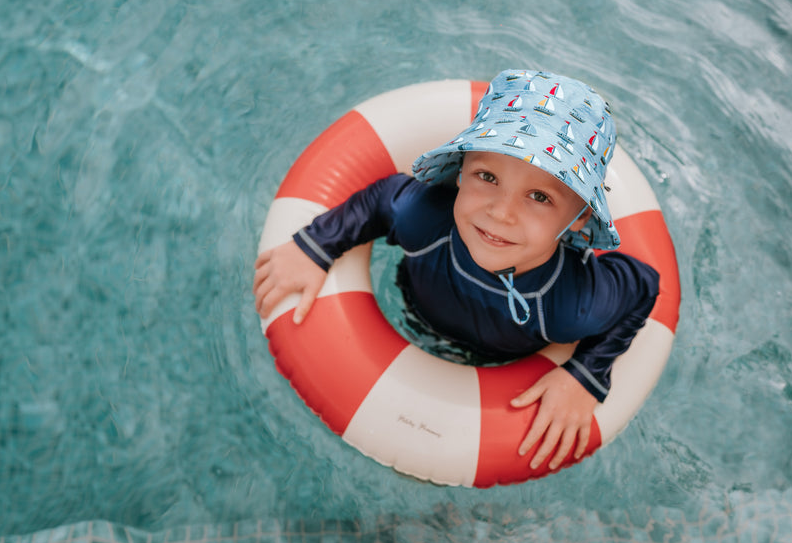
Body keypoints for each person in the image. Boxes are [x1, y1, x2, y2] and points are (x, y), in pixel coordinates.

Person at [253, 69, 659, 472]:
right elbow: (380, 199)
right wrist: (317, 244)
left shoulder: (572, 303)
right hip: (413, 306)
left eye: (539, 196)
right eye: (487, 176)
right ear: (460, 172)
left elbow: (643, 286)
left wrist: (587, 372)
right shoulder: (425, 218)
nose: (500, 213)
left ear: (580, 220)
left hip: (506, 355)